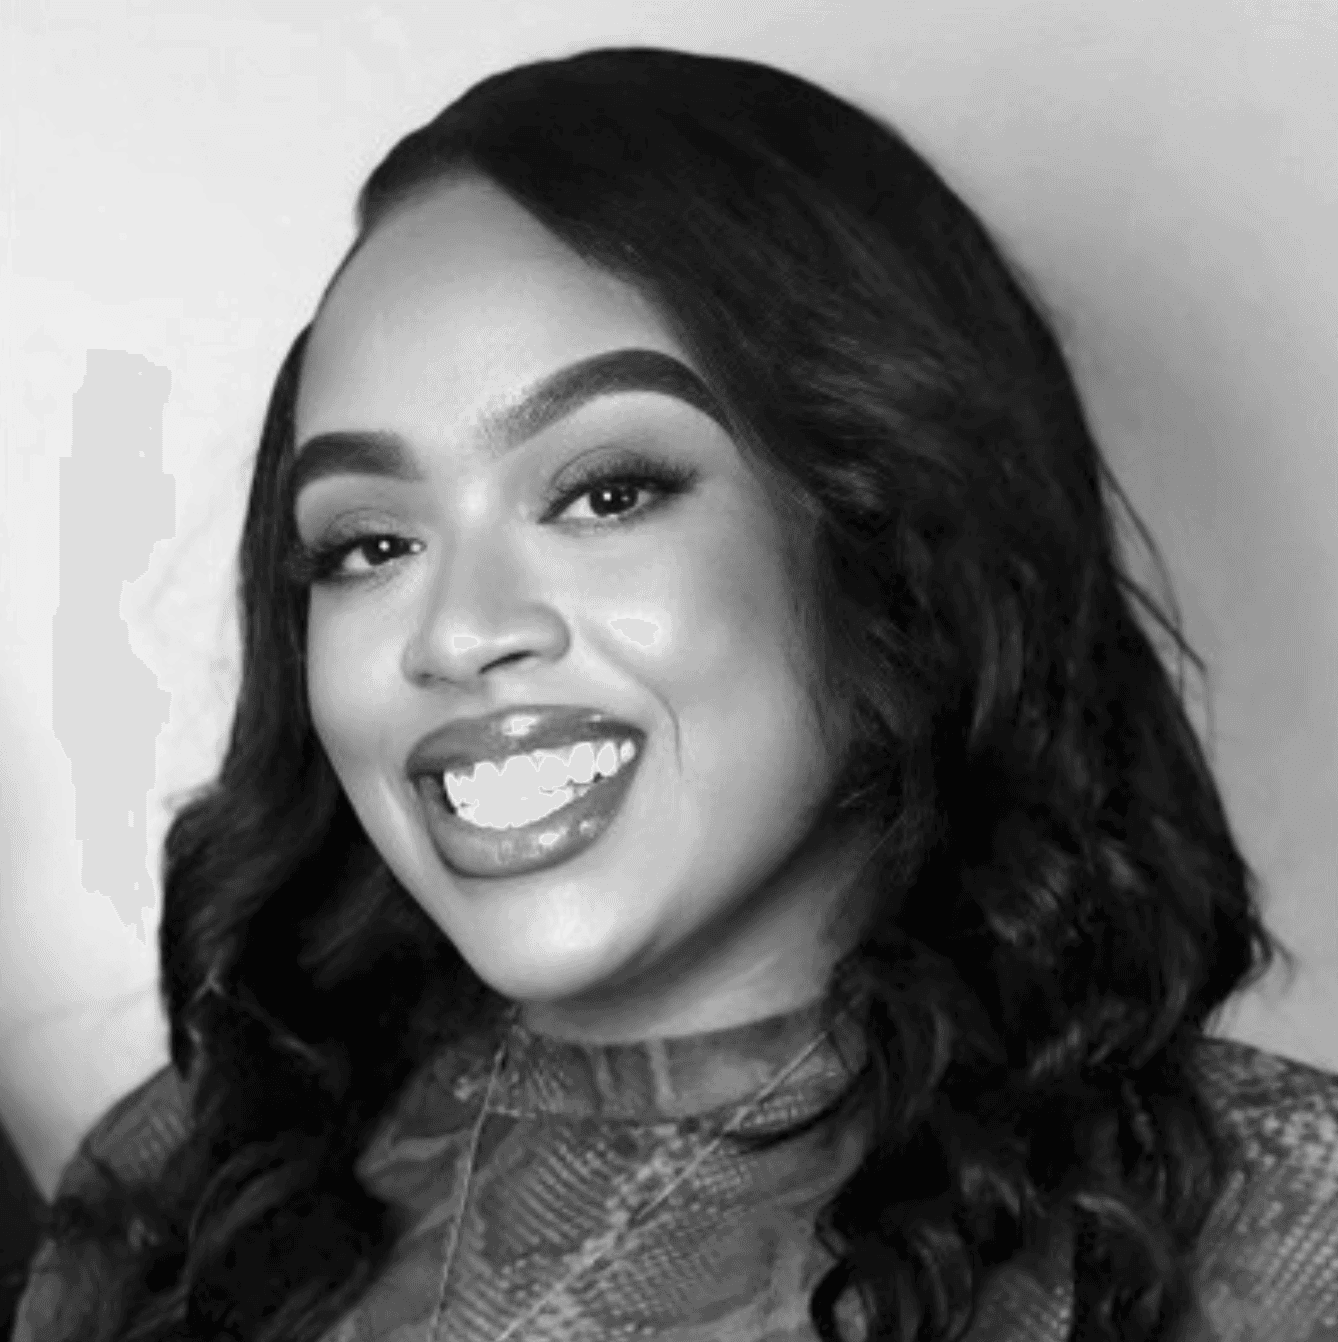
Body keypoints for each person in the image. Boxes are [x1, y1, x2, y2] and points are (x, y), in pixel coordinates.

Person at [13, 46, 1338, 1342]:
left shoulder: (1280, 1224)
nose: (459, 634)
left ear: (895, 531)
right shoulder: (179, 1196)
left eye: (605, 491)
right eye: (370, 543)